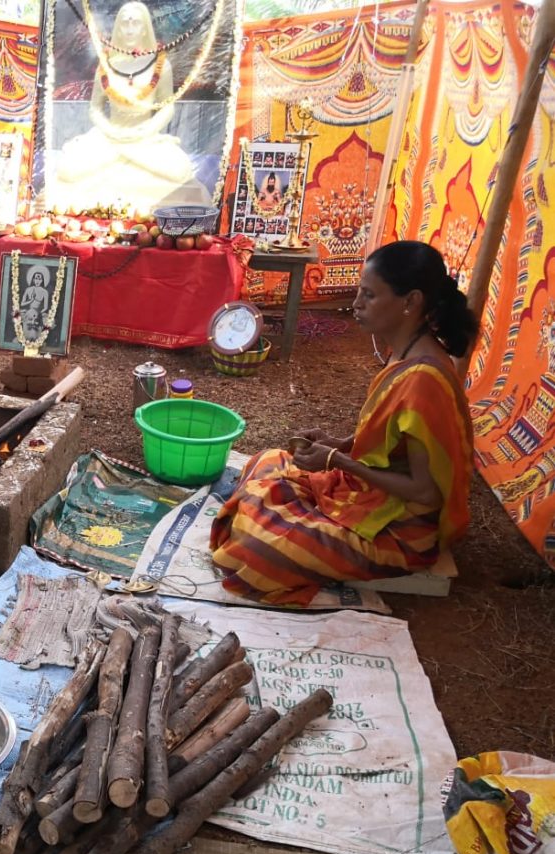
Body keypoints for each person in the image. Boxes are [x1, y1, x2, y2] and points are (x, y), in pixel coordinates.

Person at [210, 241, 478, 606]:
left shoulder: (424, 379)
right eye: (358, 293)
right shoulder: (405, 351)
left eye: (369, 295)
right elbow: (391, 436)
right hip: (372, 494)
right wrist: (339, 443)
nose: (356, 304)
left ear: (410, 302)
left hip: (400, 528)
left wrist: (337, 462)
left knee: (258, 546)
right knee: (267, 462)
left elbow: (426, 492)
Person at [53, 1, 209, 209]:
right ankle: (123, 155)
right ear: (117, 27)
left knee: (180, 171)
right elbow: (96, 108)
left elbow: (167, 107)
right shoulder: (106, 63)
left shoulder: (160, 65)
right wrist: (111, 131)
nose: (129, 29)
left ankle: (122, 156)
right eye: (124, 23)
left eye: (135, 23)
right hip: (110, 136)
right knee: (68, 169)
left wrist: (146, 131)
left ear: (145, 27)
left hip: (145, 137)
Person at [20, 265, 52, 343]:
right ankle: (24, 339)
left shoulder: (44, 292)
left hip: (39, 313)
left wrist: (39, 313)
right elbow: (22, 304)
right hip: (28, 311)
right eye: (36, 278)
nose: (37, 281)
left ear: (42, 280)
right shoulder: (28, 289)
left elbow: (45, 307)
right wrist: (30, 300)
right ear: (33, 279)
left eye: (39, 279)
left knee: (43, 322)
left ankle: (38, 341)